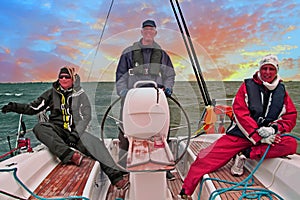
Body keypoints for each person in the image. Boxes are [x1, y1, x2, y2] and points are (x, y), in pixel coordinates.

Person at [179, 54, 298, 199]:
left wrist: (273, 129)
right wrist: (257, 135)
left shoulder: (282, 91)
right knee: (204, 159)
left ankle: (246, 154)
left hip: (267, 136)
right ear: (259, 70)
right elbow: (240, 113)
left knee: (290, 144)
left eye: (271, 69)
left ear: (276, 71)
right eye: (264, 68)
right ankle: (185, 192)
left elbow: (290, 116)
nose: (267, 72)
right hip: (240, 136)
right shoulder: (247, 86)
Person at [1, 66, 129, 190]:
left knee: (97, 145)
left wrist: (75, 134)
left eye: (66, 77)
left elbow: (86, 116)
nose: (63, 79)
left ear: (72, 79)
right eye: (60, 77)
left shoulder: (80, 94)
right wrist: (13, 106)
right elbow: (33, 108)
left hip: (76, 132)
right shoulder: (51, 93)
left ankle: (117, 179)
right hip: (58, 129)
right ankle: (70, 155)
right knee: (39, 128)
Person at [115, 19, 177, 180]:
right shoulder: (128, 52)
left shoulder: (162, 54)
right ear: (142, 32)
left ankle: (164, 166)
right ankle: (123, 165)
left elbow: (169, 74)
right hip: (132, 96)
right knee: (125, 129)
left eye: (152, 30)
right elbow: (120, 75)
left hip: (155, 97)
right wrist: (122, 91)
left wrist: (168, 88)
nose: (149, 32)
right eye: (146, 30)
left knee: (162, 129)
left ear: (155, 33)